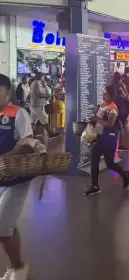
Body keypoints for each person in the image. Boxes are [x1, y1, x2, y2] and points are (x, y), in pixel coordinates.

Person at [0, 73, 35, 280]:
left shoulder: (18, 113)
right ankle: (17, 267)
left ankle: (19, 267)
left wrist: (6, 157)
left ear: (7, 93)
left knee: (2, 225)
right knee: (6, 223)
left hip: (15, 180)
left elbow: (28, 142)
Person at [84, 86, 129, 196]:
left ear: (111, 95)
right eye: (103, 93)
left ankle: (124, 175)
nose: (104, 95)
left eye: (106, 94)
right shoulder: (102, 106)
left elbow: (110, 124)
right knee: (94, 159)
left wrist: (96, 119)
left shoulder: (113, 108)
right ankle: (95, 185)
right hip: (100, 137)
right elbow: (99, 121)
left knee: (110, 163)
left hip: (109, 138)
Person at [29, 72, 59, 139]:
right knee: (44, 119)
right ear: (41, 77)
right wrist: (50, 95)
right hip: (37, 105)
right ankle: (50, 133)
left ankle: (31, 134)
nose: (44, 78)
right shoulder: (37, 83)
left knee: (33, 121)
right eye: (43, 77)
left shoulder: (34, 83)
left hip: (34, 104)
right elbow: (40, 95)